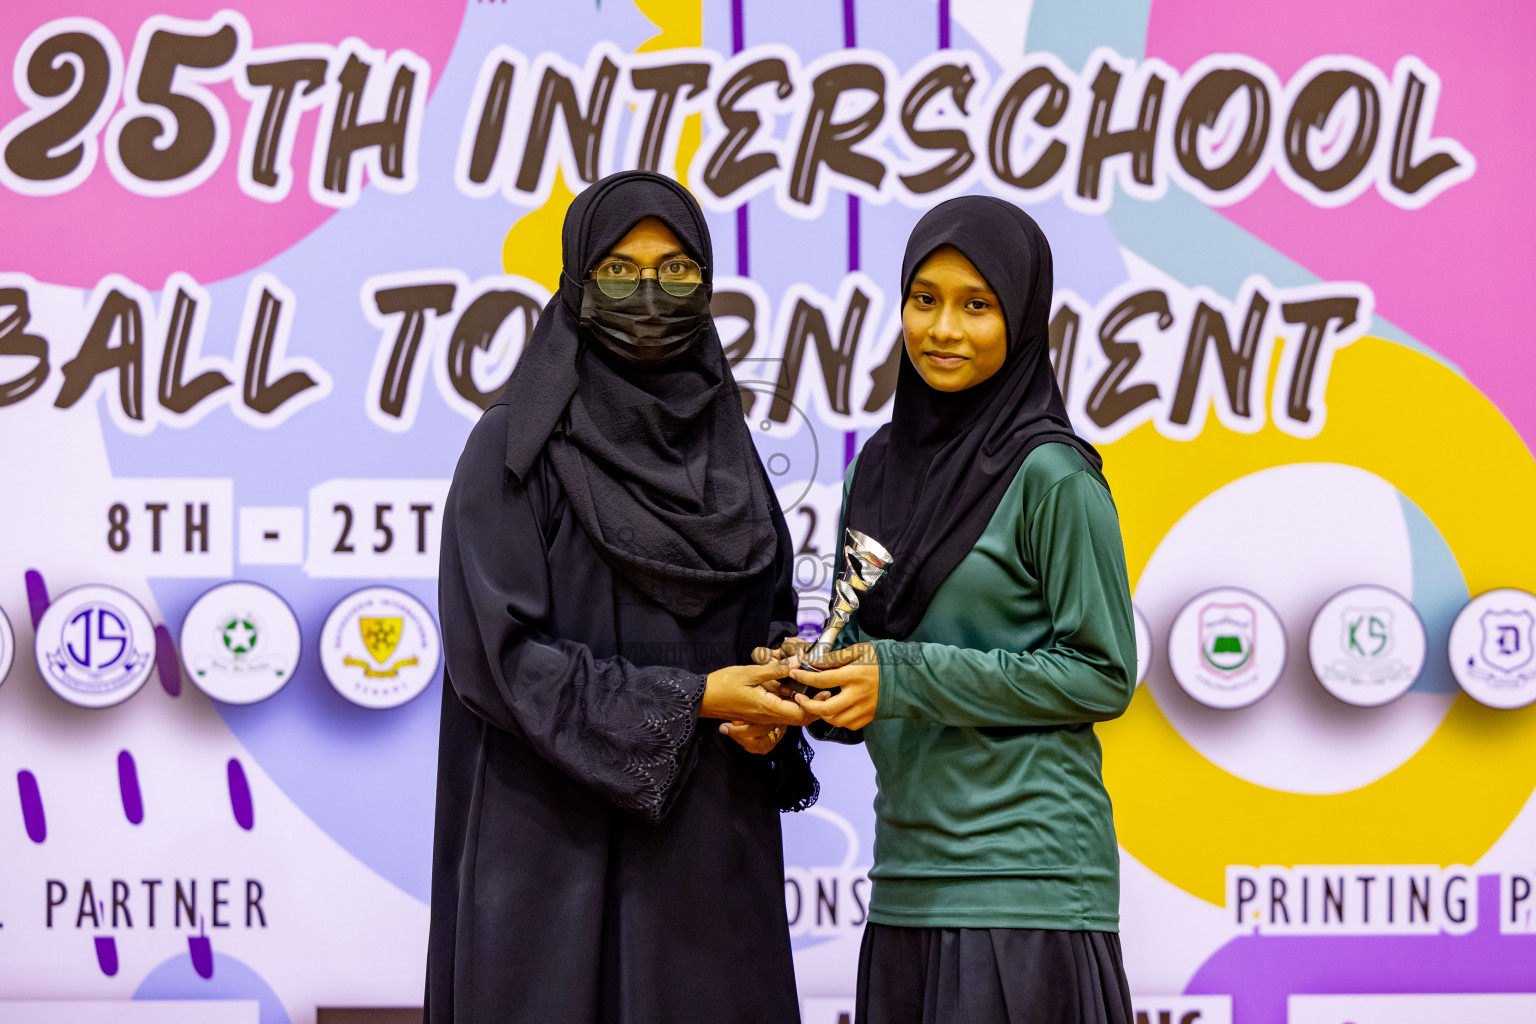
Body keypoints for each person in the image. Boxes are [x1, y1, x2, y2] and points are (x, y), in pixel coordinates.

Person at [427, 170, 817, 1024]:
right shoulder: (513, 447)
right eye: (620, 268)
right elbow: (499, 660)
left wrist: (774, 699)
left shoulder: (728, 450)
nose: (649, 292)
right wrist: (695, 699)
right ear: (577, 281)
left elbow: (771, 611)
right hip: (549, 857)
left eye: (677, 270)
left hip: (709, 850)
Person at [768, 195, 1137, 1023]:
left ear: (1024, 319)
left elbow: (1102, 673)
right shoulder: (881, 467)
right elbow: (865, 654)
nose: (942, 328)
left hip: (1027, 883)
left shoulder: (1055, 477)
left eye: (978, 306)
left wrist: (898, 676)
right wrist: (806, 690)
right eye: (924, 298)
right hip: (905, 879)